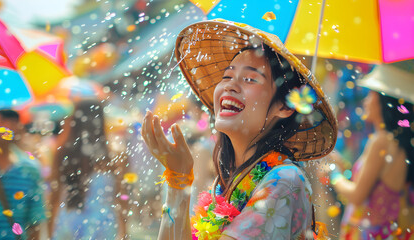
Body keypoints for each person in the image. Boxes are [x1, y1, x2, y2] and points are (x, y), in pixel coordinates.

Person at [141, 19, 337, 239]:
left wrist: (182, 179)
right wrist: (178, 180)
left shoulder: (285, 180)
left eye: (250, 79)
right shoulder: (228, 181)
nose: (230, 85)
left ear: (283, 107)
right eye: (227, 76)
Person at [329, 64, 414, 239]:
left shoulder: (380, 141)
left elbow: (356, 196)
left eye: (371, 95)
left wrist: (333, 174)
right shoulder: (400, 143)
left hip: (367, 233)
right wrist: (343, 166)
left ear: (384, 102)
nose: (366, 102)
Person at [48, 99, 130, 239]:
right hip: (103, 226)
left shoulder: (63, 152)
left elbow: (54, 196)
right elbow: (121, 196)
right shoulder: (114, 155)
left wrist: (50, 229)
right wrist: (125, 231)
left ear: (75, 121)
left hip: (68, 223)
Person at [0, 109, 46, 240]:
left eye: (14, 120)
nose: (8, 125)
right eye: (2, 119)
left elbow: (35, 220)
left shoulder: (30, 169)